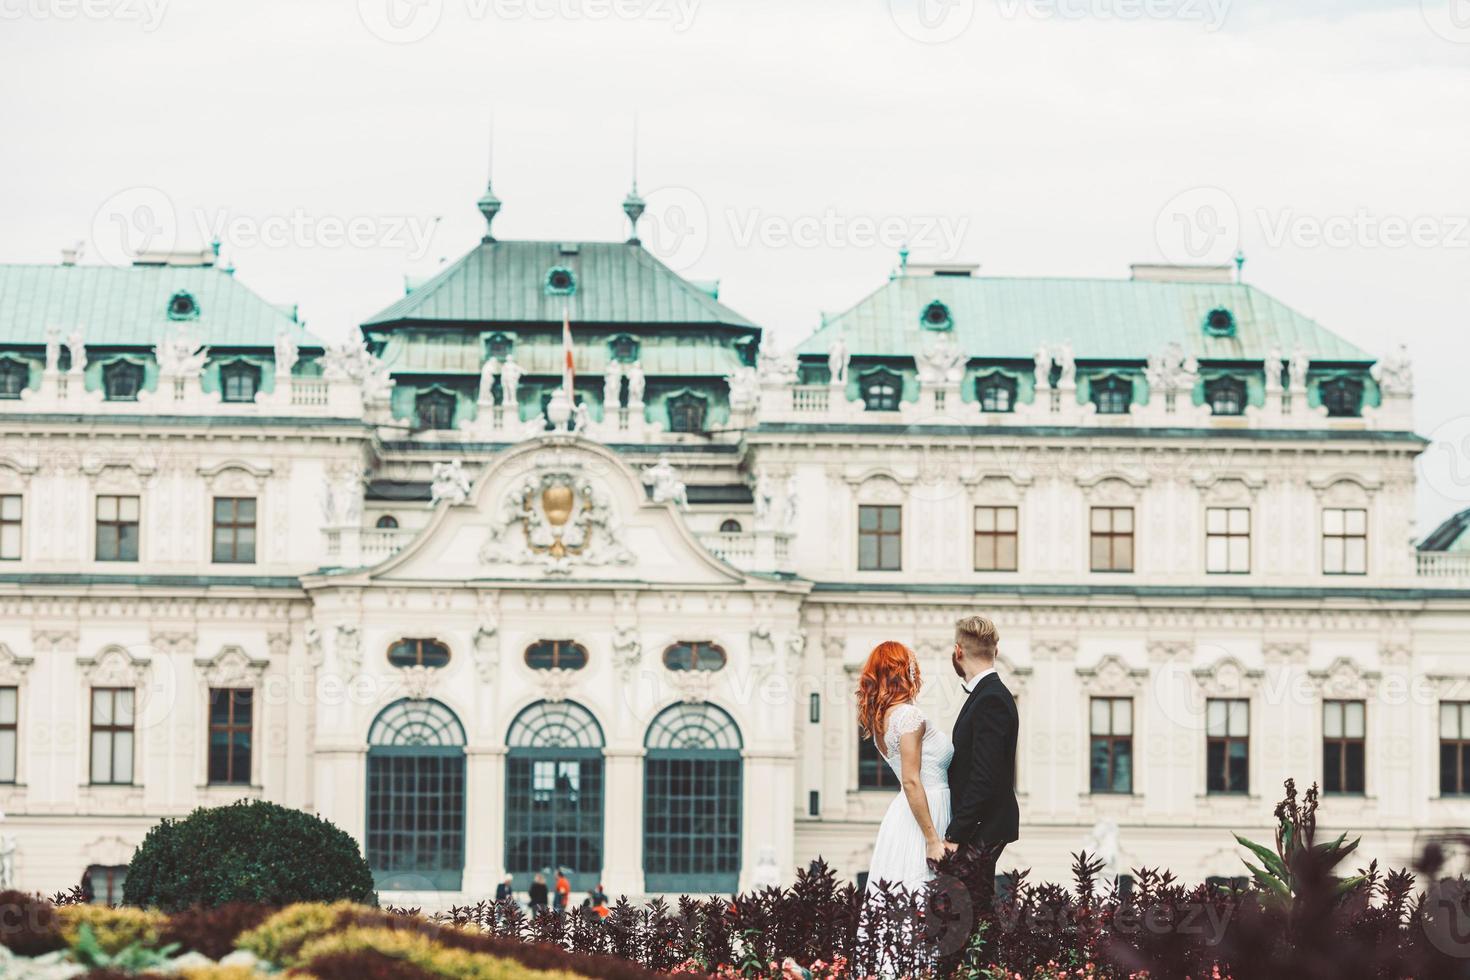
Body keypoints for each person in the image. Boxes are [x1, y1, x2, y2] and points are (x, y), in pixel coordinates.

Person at [856, 640, 952, 893]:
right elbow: (911, 780)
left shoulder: (880, 721)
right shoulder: (909, 716)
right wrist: (932, 840)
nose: (916, 672)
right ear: (903, 673)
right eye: (912, 667)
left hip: (907, 813)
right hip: (927, 810)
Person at [943, 615, 1020, 919]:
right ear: (996, 651)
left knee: (972, 911)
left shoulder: (990, 698)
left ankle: (986, 965)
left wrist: (955, 834)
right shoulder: (988, 694)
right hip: (982, 824)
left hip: (982, 827)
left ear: (958, 652)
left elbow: (983, 776)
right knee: (973, 909)